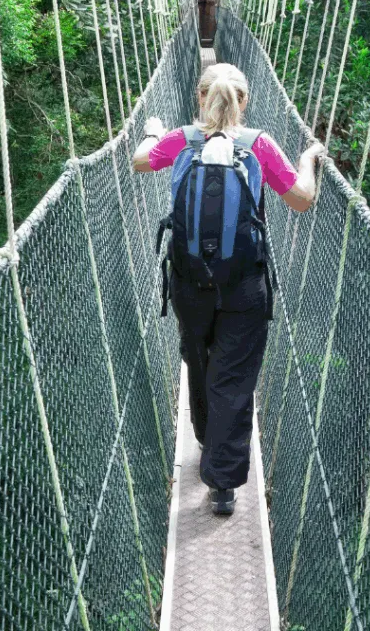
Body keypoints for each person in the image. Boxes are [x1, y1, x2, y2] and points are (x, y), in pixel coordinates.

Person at [133, 62, 323, 515]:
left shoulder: (180, 139)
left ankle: (204, 439)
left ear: (200, 98)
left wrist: (152, 130)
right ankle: (222, 486)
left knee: (198, 364)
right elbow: (302, 199)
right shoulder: (259, 144)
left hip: (189, 283)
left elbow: (140, 162)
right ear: (245, 102)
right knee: (233, 381)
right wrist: (308, 160)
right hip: (244, 286)